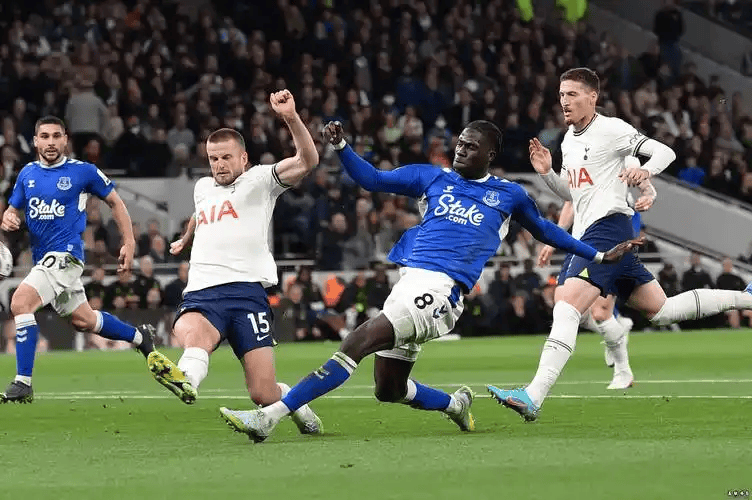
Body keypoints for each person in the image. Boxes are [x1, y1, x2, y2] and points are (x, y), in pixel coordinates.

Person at [217, 118, 639, 442]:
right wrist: (343, 147)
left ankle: (269, 417)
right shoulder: (432, 177)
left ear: (490, 154)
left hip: (441, 293)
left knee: (356, 342)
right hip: (408, 285)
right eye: (460, 143)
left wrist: (598, 255)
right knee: (388, 388)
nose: (461, 150)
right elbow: (373, 180)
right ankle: (454, 404)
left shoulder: (509, 195)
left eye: (471, 146)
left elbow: (547, 231)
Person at [488, 68, 752, 421]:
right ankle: (747, 298)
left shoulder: (612, 129)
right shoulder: (568, 141)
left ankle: (533, 395)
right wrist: (547, 173)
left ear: (592, 97)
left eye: (572, 94)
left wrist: (647, 173)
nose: (565, 101)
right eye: (562, 94)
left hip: (607, 229)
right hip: (596, 233)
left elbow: (665, 152)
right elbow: (572, 193)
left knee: (565, 306)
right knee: (662, 310)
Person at [163, 90, 323, 436]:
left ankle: (294, 401)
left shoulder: (261, 180)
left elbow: (308, 161)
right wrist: (186, 236)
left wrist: (290, 117)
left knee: (263, 394)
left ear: (244, 158)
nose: (219, 165)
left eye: (226, 157)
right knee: (193, 332)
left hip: (247, 294)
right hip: (204, 290)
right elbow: (200, 214)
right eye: (213, 158)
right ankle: (186, 378)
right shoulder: (203, 187)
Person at [0, 115, 182, 403]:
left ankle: (23, 382)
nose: (50, 142)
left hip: (66, 256)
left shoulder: (83, 171)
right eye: (44, 136)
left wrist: (129, 242)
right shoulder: (27, 174)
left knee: (20, 303)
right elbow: (12, 211)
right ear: (35, 141)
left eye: (56, 136)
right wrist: (8, 217)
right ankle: (140, 337)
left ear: (65, 140)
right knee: (84, 320)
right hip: (43, 260)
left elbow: (115, 202)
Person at [537, 159, 656, 389]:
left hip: (612, 233)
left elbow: (645, 183)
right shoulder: (575, 155)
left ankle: (623, 371)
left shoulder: (616, 152)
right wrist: (554, 240)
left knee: (601, 311)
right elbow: (570, 202)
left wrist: (648, 194)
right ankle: (618, 328)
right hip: (582, 239)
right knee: (564, 305)